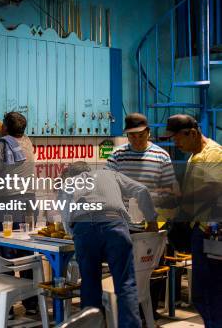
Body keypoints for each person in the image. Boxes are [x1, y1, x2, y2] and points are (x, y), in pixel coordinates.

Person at [58, 162, 158, 328]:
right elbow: (142, 190)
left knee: (90, 284)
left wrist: (73, 233)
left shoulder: (68, 183)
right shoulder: (109, 174)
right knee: (125, 283)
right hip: (115, 226)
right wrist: (151, 220)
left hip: (85, 231)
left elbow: (66, 216)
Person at [160, 114, 222, 327]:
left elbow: (213, 188)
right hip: (201, 232)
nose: (175, 142)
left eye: (177, 138)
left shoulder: (212, 154)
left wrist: (178, 201)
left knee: (211, 293)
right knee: (203, 294)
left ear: (193, 133)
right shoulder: (195, 156)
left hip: (212, 233)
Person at [0, 105, 39, 314]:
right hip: (29, 203)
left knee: (4, 254)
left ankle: (8, 305)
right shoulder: (27, 142)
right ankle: (31, 303)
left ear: (5, 128)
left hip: (6, 205)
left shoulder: (2, 146)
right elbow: (1, 128)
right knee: (26, 253)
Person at [106, 113, 179, 221]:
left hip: (153, 220)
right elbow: (107, 184)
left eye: (141, 135)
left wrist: (152, 198)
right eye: (132, 136)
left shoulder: (161, 156)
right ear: (127, 136)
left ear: (148, 133)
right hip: (123, 220)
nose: (137, 141)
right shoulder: (117, 154)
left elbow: (170, 190)